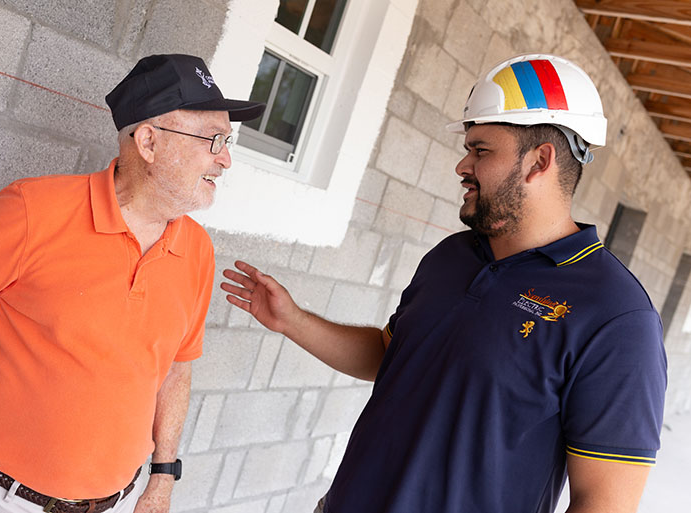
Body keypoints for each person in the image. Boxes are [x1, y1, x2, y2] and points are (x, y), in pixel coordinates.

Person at [221, 54, 667, 513]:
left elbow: (605, 503)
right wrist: (292, 320)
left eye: (481, 150)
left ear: (539, 161)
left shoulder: (617, 317)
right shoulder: (451, 256)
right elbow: (390, 355)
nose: (462, 165)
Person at [0, 53, 264, 513]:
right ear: (148, 141)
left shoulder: (197, 250)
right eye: (214, 140)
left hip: (114, 504)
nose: (225, 159)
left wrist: (161, 480)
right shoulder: (35, 210)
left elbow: (176, 367)